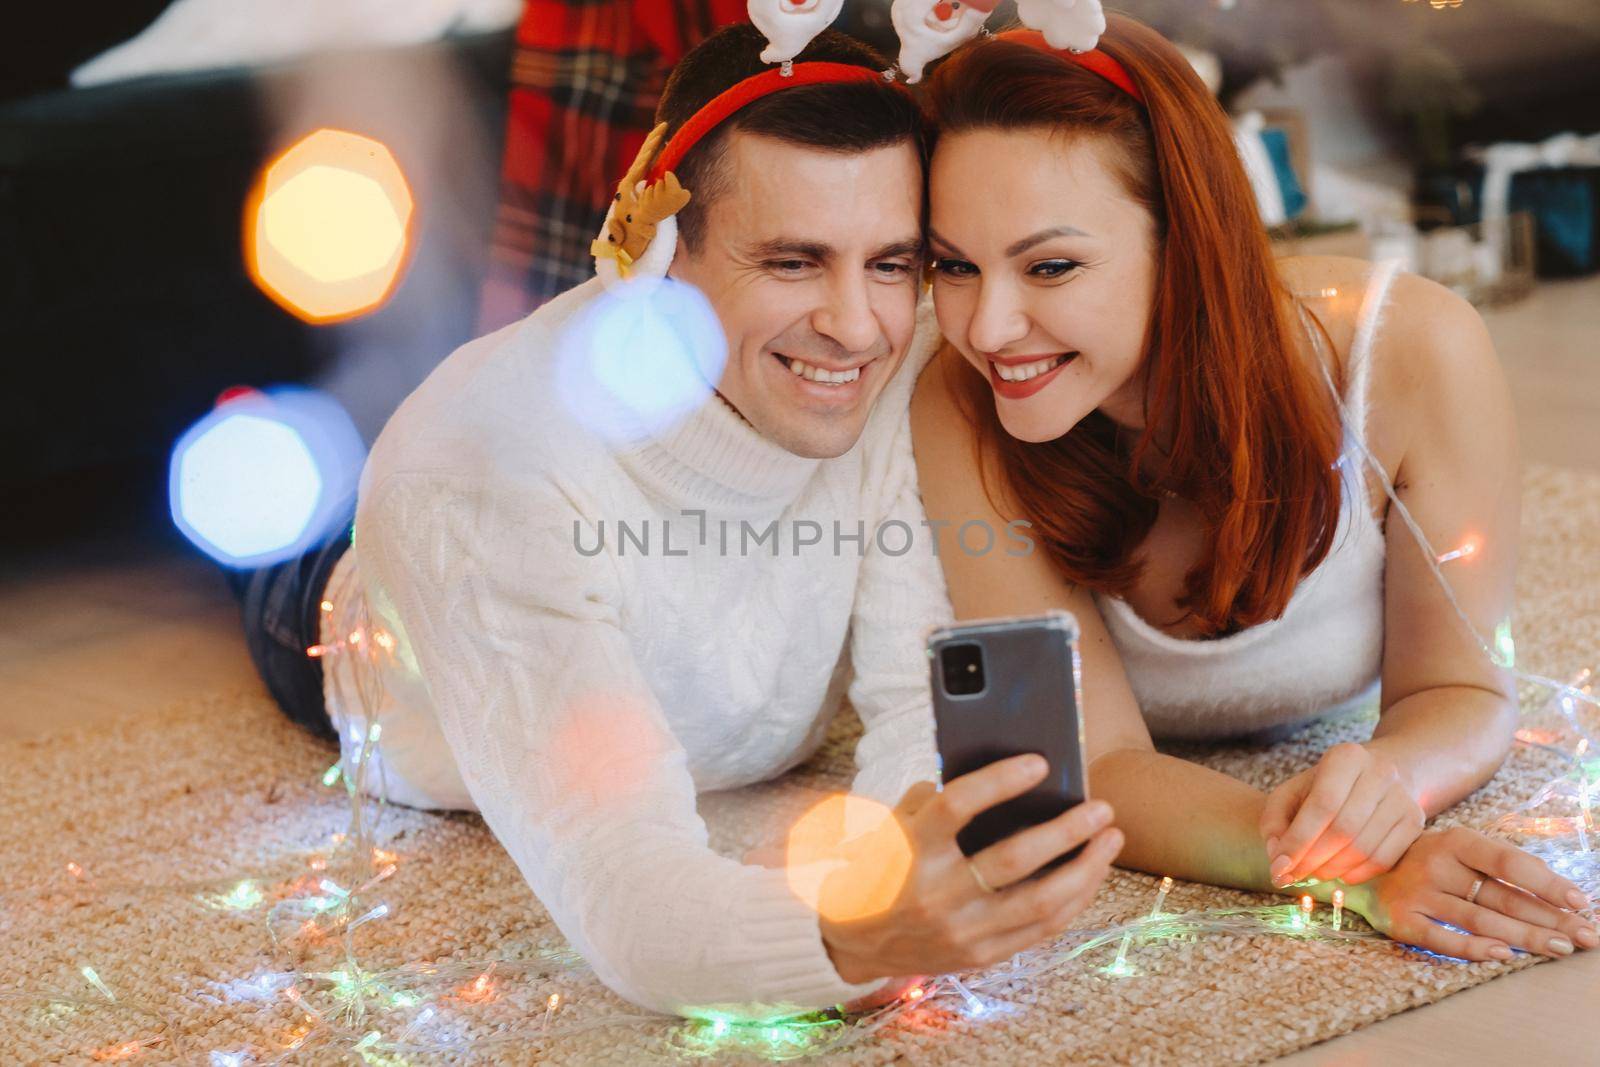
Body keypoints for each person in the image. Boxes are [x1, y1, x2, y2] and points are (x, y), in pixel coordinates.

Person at [235, 24, 1123, 1018]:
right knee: (272, 530)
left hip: (685, 678)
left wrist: (900, 869)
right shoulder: (479, 473)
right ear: (661, 249)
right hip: (361, 636)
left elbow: (918, 698)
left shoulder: (911, 349)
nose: (856, 324)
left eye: (889, 262)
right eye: (792, 261)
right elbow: (623, 889)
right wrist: (849, 937)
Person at [910, 16, 1597, 963]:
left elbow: (1463, 687)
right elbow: (1095, 762)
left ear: (1186, 240)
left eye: (1051, 265)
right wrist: (1348, 866)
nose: (986, 326)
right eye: (953, 264)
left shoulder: (1410, 350)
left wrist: (1388, 782)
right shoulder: (958, 400)